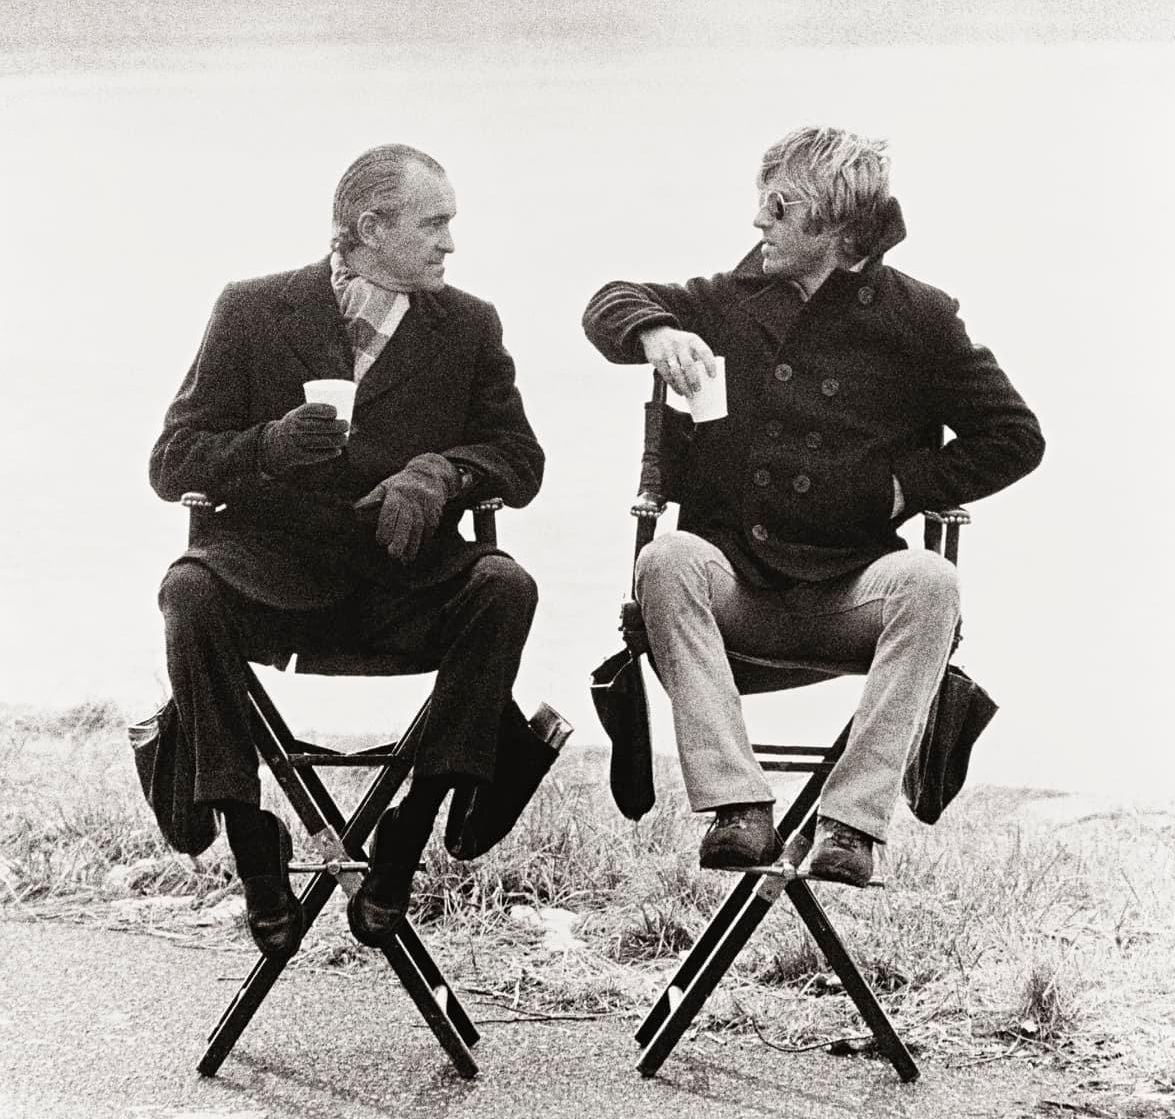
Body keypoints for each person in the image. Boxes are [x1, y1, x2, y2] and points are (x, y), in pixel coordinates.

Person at [582, 126, 1044, 886]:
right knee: (667, 561)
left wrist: (905, 486)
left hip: (851, 592)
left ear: (831, 223)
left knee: (932, 583)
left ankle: (850, 824)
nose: (758, 221)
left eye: (777, 205)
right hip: (734, 586)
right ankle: (739, 809)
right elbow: (606, 303)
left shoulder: (917, 319)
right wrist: (655, 329)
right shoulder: (724, 303)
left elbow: (1015, 437)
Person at [151, 144, 544, 956]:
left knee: (506, 585)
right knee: (188, 588)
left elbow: (520, 458)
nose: (449, 243)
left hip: (408, 586)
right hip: (274, 583)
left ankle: (409, 834)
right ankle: (251, 842)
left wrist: (442, 473)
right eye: (435, 224)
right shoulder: (253, 308)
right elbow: (173, 460)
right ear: (371, 227)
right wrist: (265, 446)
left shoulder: (469, 323)